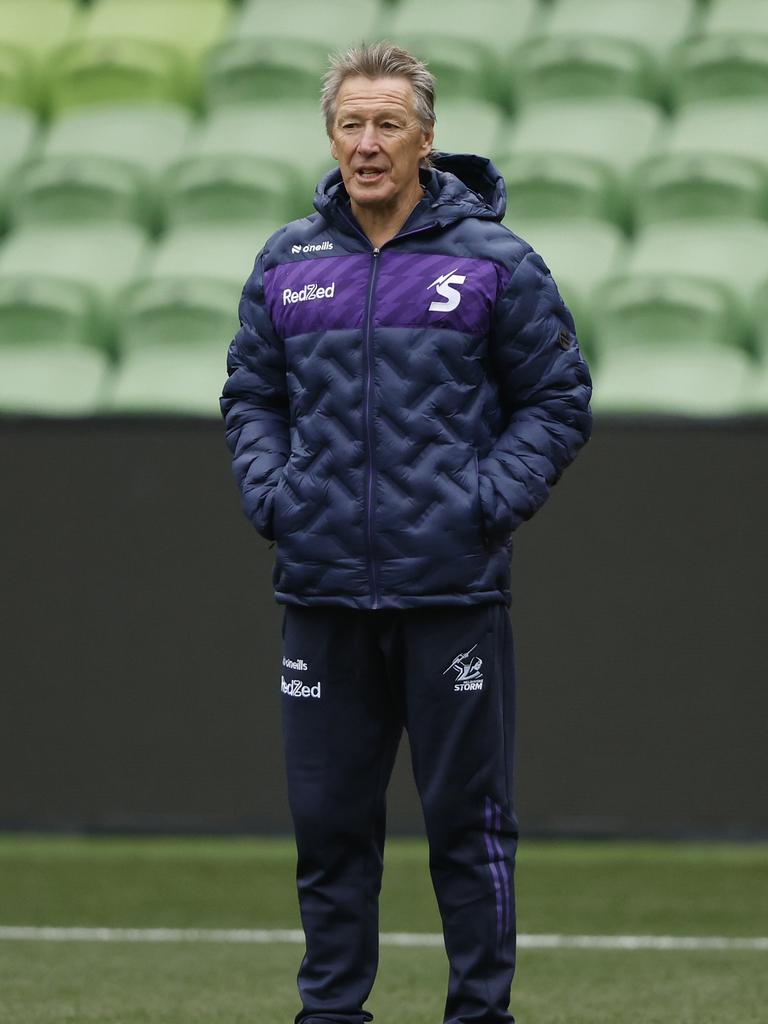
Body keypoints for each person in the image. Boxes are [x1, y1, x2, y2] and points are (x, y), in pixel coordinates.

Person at [221, 42, 592, 1024]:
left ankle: (481, 1012)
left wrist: (481, 504)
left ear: (428, 138)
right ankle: (331, 1012)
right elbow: (251, 395)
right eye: (352, 123)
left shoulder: (493, 262)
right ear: (331, 135)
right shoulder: (286, 262)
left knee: (469, 831)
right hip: (320, 592)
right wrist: (275, 493)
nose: (369, 142)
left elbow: (556, 399)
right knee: (330, 829)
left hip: (452, 597)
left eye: (389, 124)